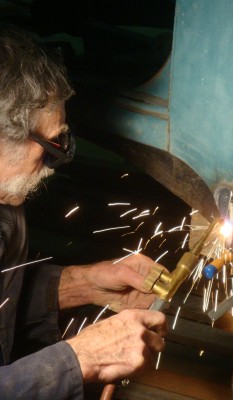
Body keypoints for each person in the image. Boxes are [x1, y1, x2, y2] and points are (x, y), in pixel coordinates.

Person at [0, 26, 167, 399]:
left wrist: (86, 284)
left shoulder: (7, 201)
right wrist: (82, 358)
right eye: (50, 144)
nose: (53, 163)